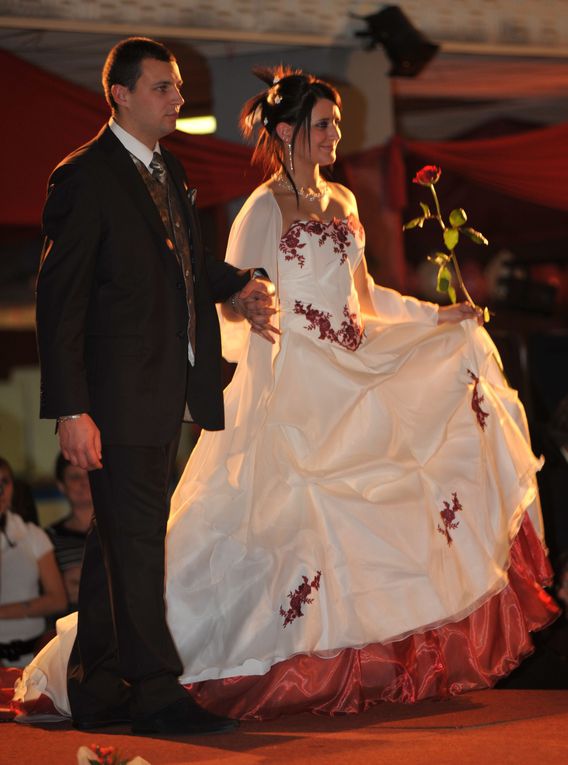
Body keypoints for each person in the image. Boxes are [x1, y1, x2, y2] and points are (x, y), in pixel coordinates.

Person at [17, 66, 558, 721]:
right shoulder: (262, 208)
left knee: (424, 434)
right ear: (285, 131)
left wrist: (434, 316)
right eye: (324, 123)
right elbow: (229, 301)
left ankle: (357, 666)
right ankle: (137, 669)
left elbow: (365, 301)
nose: (335, 134)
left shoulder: (347, 203)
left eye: (336, 123)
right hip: (291, 382)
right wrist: (253, 313)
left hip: (353, 369)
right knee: (263, 533)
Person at [32, 38, 276, 735]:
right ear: (121, 95)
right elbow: (61, 299)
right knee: (137, 538)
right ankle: (156, 689)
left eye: (176, 87)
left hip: (164, 387)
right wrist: (72, 407)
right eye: (163, 88)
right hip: (112, 397)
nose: (177, 98)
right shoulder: (84, 175)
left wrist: (239, 283)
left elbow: (186, 260)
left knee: (120, 540)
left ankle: (100, 684)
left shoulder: (167, 169)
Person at [0, 457, 67, 667]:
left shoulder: (33, 535)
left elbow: (57, 599)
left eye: (5, 481)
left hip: (32, 658)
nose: (1, 490)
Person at [46, 454, 93, 615]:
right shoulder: (49, 537)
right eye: (74, 477)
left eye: (89, 475)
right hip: (70, 620)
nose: (84, 483)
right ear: (61, 485)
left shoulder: (118, 530)